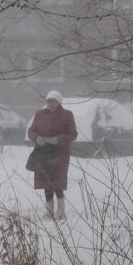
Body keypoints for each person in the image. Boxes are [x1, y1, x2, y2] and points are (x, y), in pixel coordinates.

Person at [27, 90, 77, 219]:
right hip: (42, 153)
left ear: (59, 102)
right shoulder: (39, 114)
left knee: (57, 182)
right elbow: (31, 130)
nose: (50, 104)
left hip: (59, 154)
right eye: (48, 101)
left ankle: (60, 211)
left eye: (53, 101)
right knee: (46, 182)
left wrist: (59, 139)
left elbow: (73, 134)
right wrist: (37, 138)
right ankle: (49, 211)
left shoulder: (67, 115)